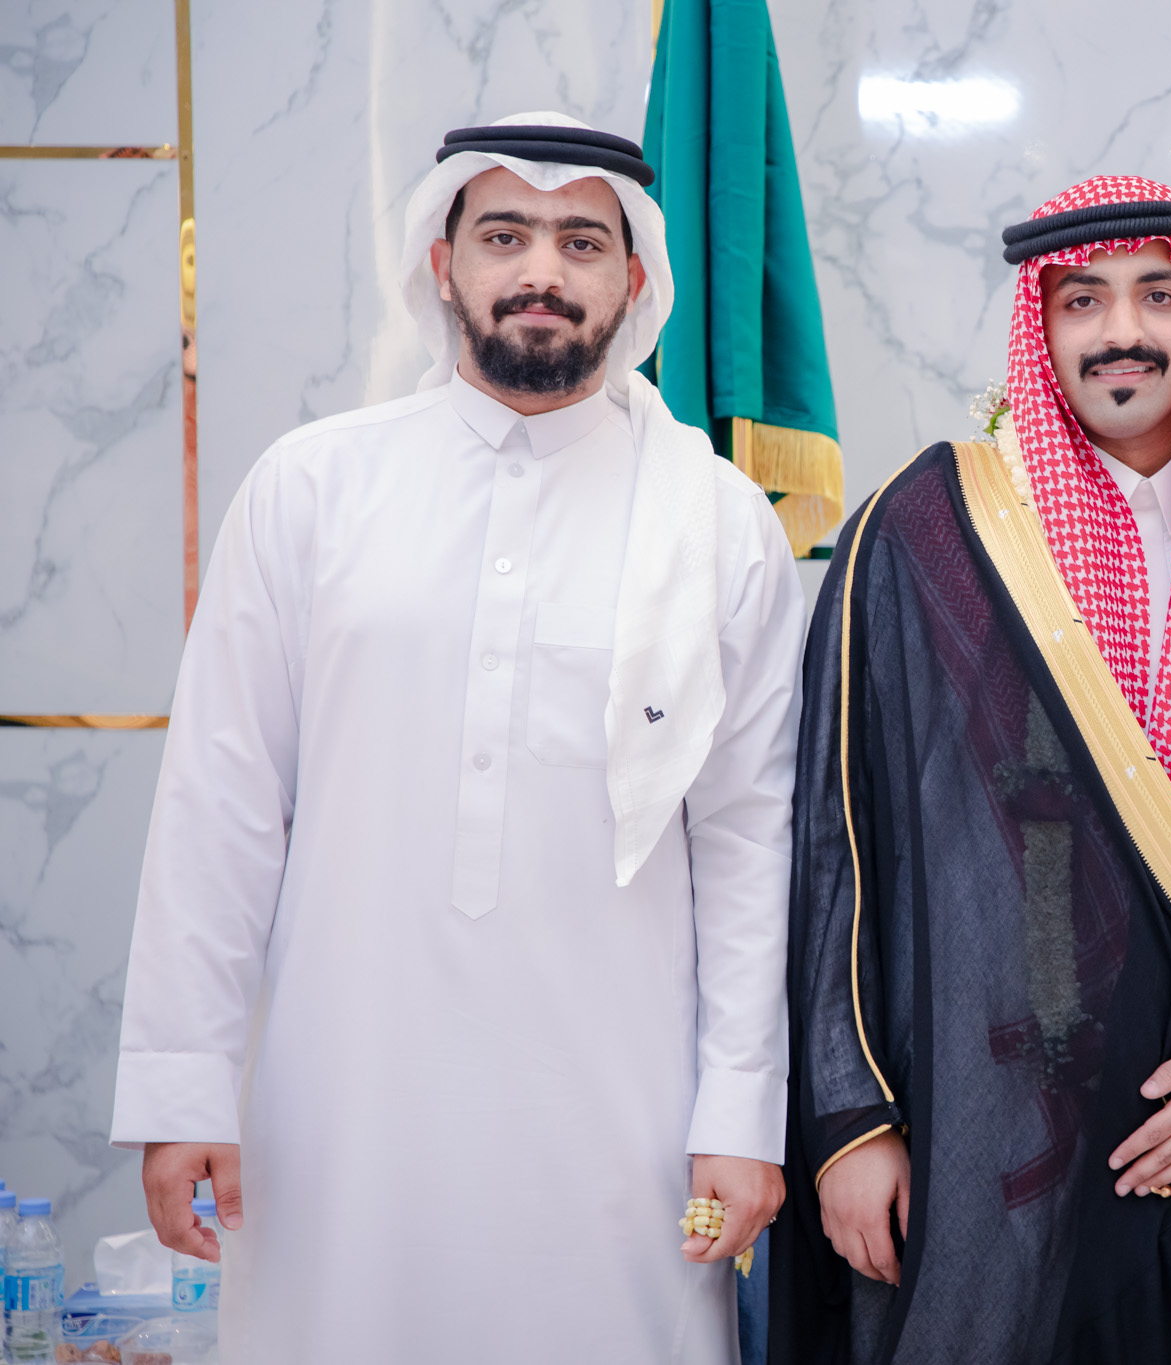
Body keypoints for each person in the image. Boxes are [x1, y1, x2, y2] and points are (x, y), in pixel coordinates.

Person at [109, 113, 804, 1365]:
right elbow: (220, 803)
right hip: (341, 1105)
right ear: (443, 263)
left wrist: (742, 1113)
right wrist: (182, 1086)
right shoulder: (312, 488)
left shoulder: (717, 521)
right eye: (504, 234)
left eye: (580, 241)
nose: (541, 269)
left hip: (624, 1119)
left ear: (633, 278)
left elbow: (751, 840)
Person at [774, 176, 1171, 1365]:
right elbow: (839, 841)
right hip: (996, 1127)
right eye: (1082, 300)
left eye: (1157, 295)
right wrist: (852, 1121)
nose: (1122, 331)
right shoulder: (930, 529)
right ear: (1040, 324)